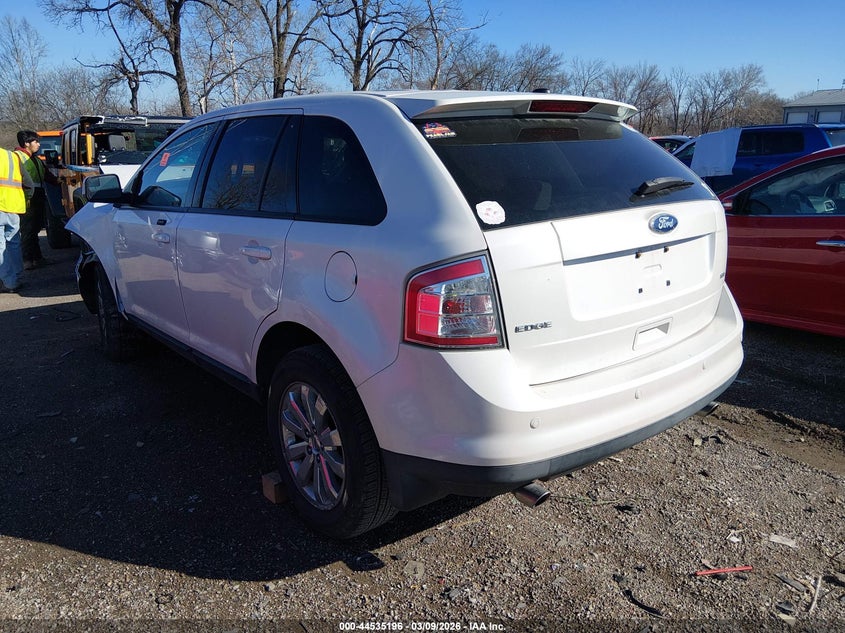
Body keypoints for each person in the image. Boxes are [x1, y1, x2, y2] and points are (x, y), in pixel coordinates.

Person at [14, 130, 59, 270]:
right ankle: (28, 260)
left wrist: (59, 181)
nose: (39, 144)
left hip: (37, 196)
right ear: (26, 143)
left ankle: (37, 258)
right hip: (26, 197)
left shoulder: (36, 159)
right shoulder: (18, 157)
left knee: (35, 228)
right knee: (28, 229)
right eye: (36, 142)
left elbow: (46, 175)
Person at [0, 146, 31, 293]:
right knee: (13, 242)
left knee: (1, 247)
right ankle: (16, 278)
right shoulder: (11, 156)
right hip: (13, 205)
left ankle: (9, 281)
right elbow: (28, 182)